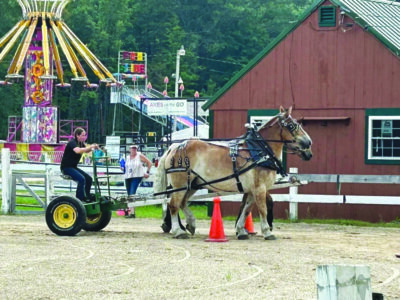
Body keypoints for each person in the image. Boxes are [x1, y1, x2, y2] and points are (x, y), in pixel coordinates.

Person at [60, 127, 99, 202]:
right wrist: (90, 147)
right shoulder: (72, 143)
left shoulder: (81, 144)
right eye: (83, 135)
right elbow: (77, 151)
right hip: (66, 167)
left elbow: (87, 150)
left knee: (89, 179)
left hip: (73, 167)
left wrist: (94, 147)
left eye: (85, 135)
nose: (84, 137)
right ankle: (79, 199)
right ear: (77, 135)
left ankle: (87, 196)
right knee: (81, 179)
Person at [124, 145, 152, 217]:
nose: (133, 150)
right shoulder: (127, 157)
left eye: (135, 148)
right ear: (130, 149)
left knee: (132, 194)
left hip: (136, 176)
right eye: (132, 148)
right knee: (129, 195)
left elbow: (149, 163)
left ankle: (132, 213)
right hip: (128, 176)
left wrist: (147, 172)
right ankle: (130, 211)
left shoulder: (139, 156)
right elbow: (126, 167)